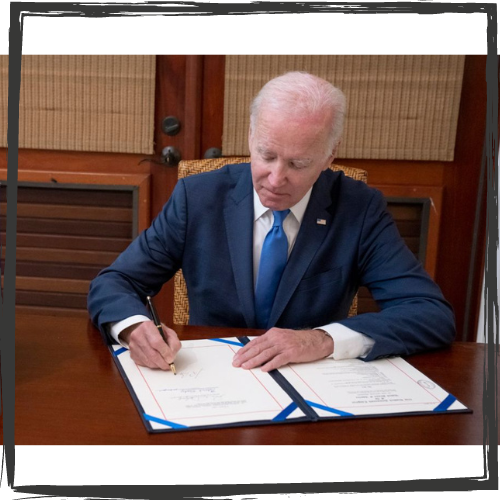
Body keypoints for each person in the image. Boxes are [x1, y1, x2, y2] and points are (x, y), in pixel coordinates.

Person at [88, 71, 455, 372]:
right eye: (266, 155)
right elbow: (116, 282)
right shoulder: (197, 197)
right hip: (213, 378)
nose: (276, 179)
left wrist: (320, 339)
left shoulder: (359, 208)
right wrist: (133, 327)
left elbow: (429, 315)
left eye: (298, 164)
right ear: (250, 136)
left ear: (330, 155)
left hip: (311, 384)